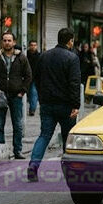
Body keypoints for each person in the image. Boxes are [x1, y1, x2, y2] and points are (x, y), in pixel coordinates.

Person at [28, 28, 80, 182]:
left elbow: (36, 78)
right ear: (70, 40)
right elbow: (75, 83)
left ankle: (33, 166)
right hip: (66, 105)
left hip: (47, 104)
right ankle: (69, 171)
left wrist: (42, 97)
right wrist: (76, 105)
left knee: (44, 135)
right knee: (68, 138)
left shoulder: (44, 56)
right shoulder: (72, 58)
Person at [0, 32, 32, 160]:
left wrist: (22, 91)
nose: (7, 43)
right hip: (0, 95)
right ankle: (0, 152)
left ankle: (18, 150)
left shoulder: (21, 58)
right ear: (1, 42)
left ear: (14, 42)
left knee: (17, 125)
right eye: (4, 40)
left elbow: (29, 75)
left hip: (16, 95)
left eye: (9, 40)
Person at [26, 40, 41, 116]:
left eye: (34, 45)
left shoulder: (39, 56)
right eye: (32, 45)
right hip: (26, 77)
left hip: (35, 78)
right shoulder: (25, 54)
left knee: (33, 94)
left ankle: (32, 109)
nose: (33, 47)